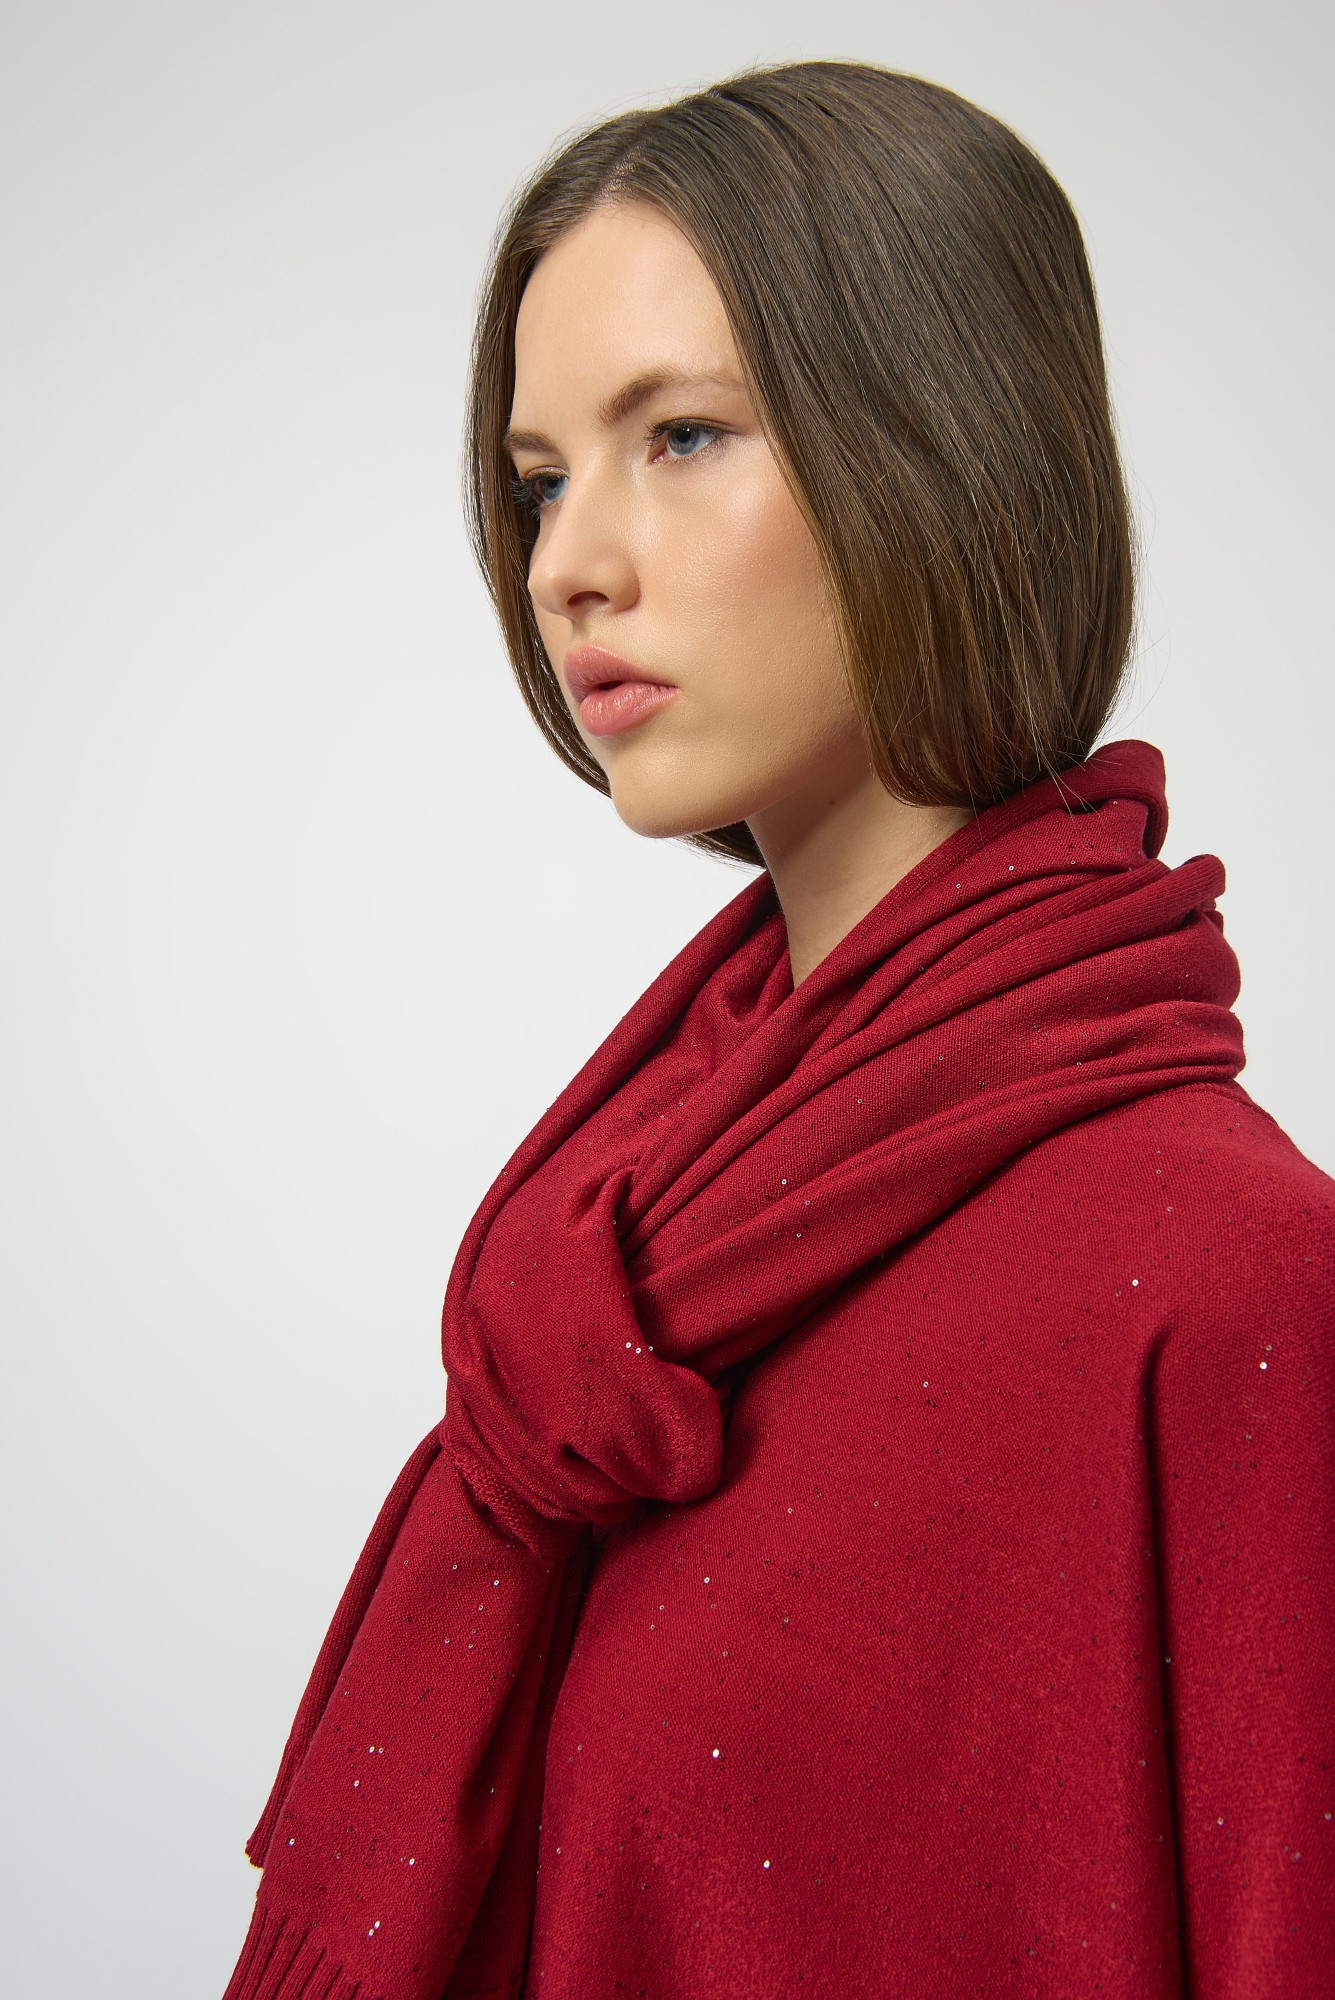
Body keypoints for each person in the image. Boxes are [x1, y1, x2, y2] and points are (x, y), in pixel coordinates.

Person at [221, 59, 1334, 2000]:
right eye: (540, 476)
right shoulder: (613, 1233)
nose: (566, 560)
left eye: (681, 435)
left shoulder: (1226, 1281)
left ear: (945, 452)